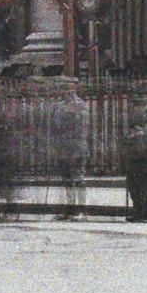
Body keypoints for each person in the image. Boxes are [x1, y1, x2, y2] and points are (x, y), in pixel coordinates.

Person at [52, 87, 88, 219]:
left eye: (69, 90)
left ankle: (82, 210)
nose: (66, 93)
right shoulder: (60, 106)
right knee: (66, 179)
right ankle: (70, 208)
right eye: (64, 89)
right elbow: (55, 126)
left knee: (78, 178)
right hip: (63, 147)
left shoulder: (81, 106)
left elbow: (82, 129)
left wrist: (78, 148)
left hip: (77, 147)